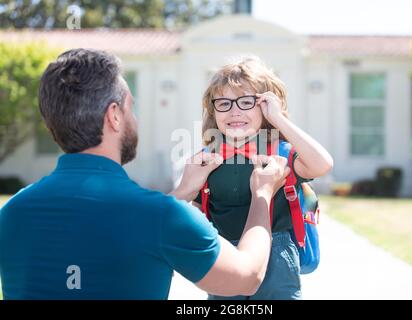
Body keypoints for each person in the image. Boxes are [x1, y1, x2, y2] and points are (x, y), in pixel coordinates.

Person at [0, 49, 290, 300]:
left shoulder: (11, 213)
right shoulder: (162, 215)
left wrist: (182, 194)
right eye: (131, 108)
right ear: (114, 116)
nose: (134, 120)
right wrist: (262, 194)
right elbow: (247, 275)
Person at [193, 56, 334, 300]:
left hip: (276, 255)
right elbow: (195, 207)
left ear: (265, 106)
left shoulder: (280, 153)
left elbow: (322, 164)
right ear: (213, 110)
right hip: (225, 255)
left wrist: (279, 120)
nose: (235, 111)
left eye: (246, 102)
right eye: (224, 103)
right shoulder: (206, 159)